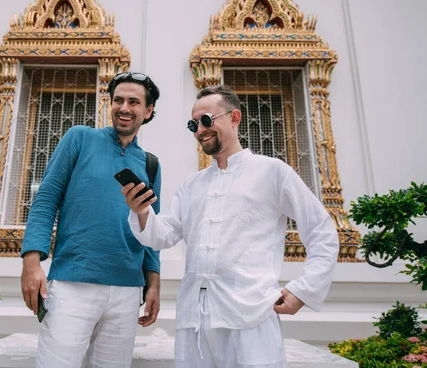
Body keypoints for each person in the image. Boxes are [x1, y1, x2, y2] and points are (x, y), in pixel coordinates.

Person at [121, 85, 339, 367]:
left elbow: (322, 231)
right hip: (194, 321)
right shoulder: (192, 185)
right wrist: (141, 211)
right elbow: (163, 235)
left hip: (251, 316)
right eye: (193, 124)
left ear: (235, 117)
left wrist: (304, 290)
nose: (200, 130)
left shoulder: (272, 171)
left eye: (207, 120)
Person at [20, 72, 163, 368]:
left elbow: (152, 230)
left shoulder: (150, 164)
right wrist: (31, 263)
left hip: (127, 290)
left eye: (134, 102)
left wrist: (154, 283)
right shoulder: (80, 139)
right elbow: (46, 200)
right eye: (118, 100)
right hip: (73, 283)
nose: (124, 108)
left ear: (148, 111)